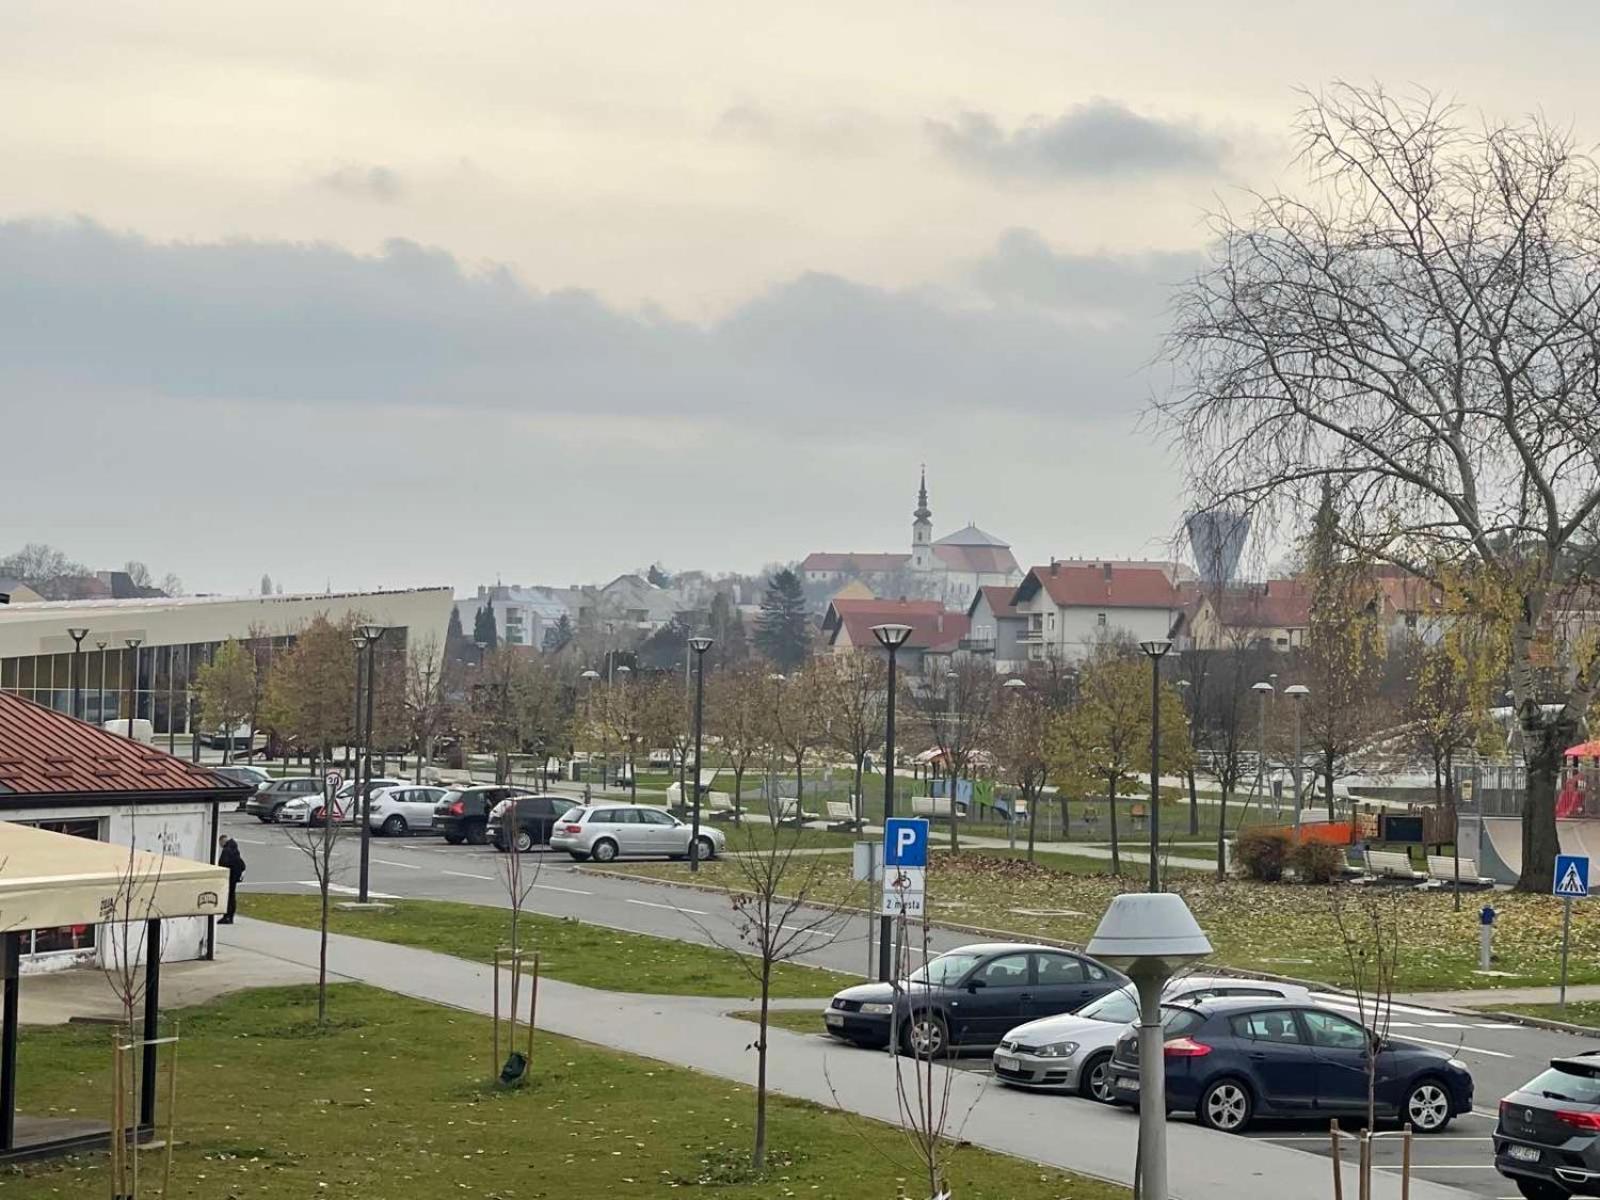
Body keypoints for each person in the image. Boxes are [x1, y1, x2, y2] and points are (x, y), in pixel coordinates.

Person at [218, 835, 246, 924]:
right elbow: (241, 864)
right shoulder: (234, 849)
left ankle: (227, 916)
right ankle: (230, 916)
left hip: (229, 877)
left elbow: (224, 863)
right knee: (232, 896)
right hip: (234, 876)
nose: (220, 846)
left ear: (222, 841)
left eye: (220, 844)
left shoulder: (227, 850)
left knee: (228, 896)